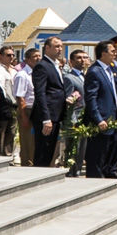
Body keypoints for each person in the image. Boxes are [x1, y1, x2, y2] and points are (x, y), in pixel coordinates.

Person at [82, 40, 117, 180]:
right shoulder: (95, 71)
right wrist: (98, 119)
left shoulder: (108, 70)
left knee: (104, 156)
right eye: (112, 51)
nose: (115, 53)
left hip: (110, 119)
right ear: (103, 53)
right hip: (100, 121)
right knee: (96, 158)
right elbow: (91, 98)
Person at [28, 38, 70, 168]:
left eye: (61, 46)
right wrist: (46, 118)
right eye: (56, 46)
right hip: (47, 116)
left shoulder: (55, 65)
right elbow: (41, 94)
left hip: (56, 115)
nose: (60, 49)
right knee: (43, 152)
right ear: (47, 48)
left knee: (49, 151)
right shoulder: (42, 66)